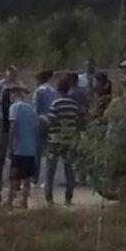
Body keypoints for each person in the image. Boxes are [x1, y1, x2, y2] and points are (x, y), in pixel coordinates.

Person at [44, 77, 81, 206]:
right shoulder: (73, 105)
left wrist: (46, 123)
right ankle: (68, 197)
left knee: (51, 169)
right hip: (69, 141)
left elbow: (52, 120)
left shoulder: (56, 104)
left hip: (55, 140)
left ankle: (49, 197)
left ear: (58, 89)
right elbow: (77, 121)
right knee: (69, 169)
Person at [7, 87, 39, 209]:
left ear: (14, 95)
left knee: (14, 176)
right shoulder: (31, 109)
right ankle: (24, 200)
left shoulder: (14, 107)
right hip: (30, 148)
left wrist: (10, 145)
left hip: (19, 148)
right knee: (26, 177)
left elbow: (13, 126)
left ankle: (10, 201)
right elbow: (36, 127)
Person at [33, 70, 56, 182]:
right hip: (52, 121)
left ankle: (35, 178)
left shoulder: (39, 92)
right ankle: (48, 179)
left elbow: (37, 110)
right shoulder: (53, 91)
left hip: (41, 122)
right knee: (49, 152)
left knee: (37, 151)